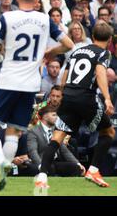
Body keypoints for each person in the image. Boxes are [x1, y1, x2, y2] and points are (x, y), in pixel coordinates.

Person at [0, 0, 74, 191]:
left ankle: (1, 161)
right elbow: (69, 45)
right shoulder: (45, 19)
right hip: (30, 85)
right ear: (37, 0)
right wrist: (50, 52)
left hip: (9, 80)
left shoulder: (9, 18)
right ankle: (0, 175)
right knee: (13, 133)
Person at [35, 22, 116, 189]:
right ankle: (93, 170)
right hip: (86, 97)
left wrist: (64, 93)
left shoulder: (77, 51)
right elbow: (101, 72)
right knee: (108, 132)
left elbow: (65, 73)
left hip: (69, 96)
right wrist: (107, 98)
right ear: (109, 40)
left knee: (57, 137)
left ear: (92, 37)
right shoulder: (104, 53)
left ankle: (42, 177)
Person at [27, 105, 84, 177]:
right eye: (54, 115)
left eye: (57, 115)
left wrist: (78, 163)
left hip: (56, 162)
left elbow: (64, 150)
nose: (57, 117)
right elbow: (32, 151)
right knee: (50, 168)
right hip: (42, 162)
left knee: (76, 168)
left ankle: (69, 187)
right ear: (45, 117)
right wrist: (41, 166)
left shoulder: (57, 130)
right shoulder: (34, 131)